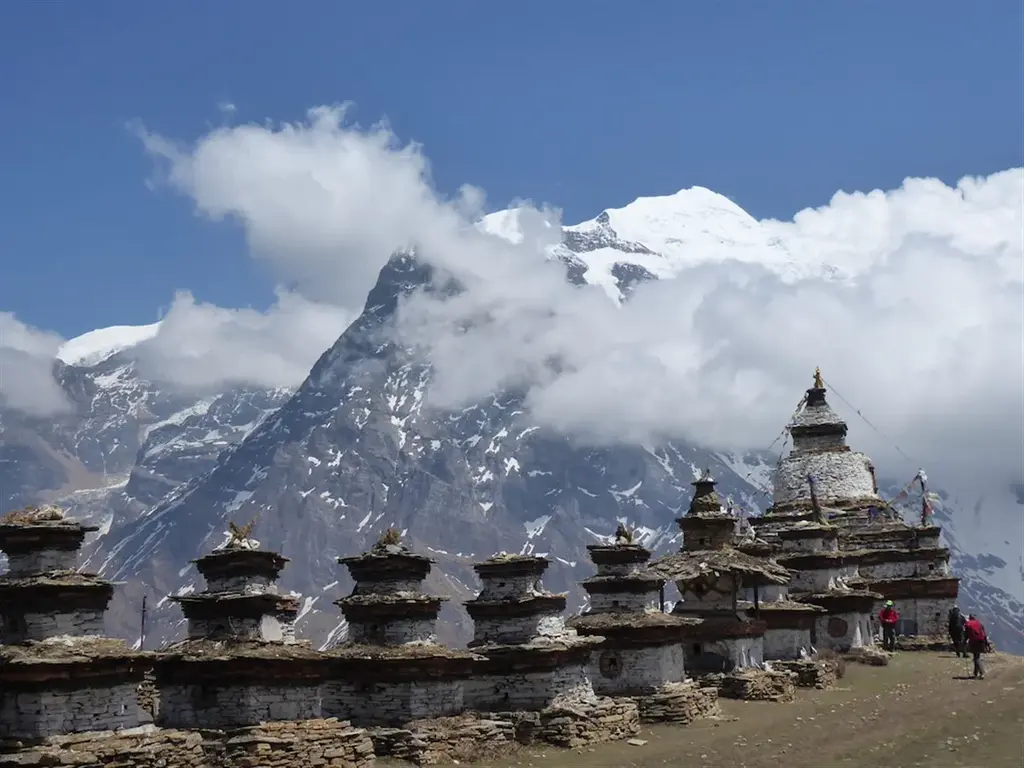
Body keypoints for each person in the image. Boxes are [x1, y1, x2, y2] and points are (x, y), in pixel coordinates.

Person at [963, 613, 988, 680]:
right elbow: (984, 634)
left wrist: (964, 642)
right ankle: (975, 674)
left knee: (976, 658)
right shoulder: (979, 623)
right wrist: (986, 643)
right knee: (977, 657)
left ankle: (981, 673)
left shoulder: (968, 624)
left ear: (970, 618)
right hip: (981, 641)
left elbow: (966, 634)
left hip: (973, 642)